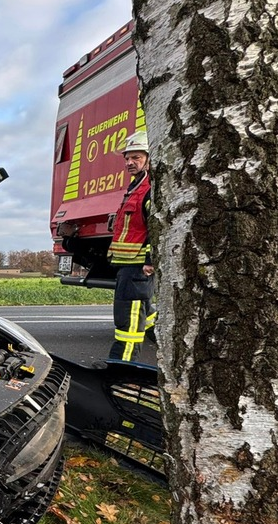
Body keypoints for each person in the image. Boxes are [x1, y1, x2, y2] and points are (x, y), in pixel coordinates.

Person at [107, 130, 157, 361]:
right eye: (127, 158)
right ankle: (171, 341)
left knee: (128, 326)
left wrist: (150, 260)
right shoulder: (135, 188)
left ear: (149, 158)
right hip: (128, 266)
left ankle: (121, 369)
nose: (129, 162)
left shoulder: (149, 190)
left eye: (136, 157)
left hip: (137, 269)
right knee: (143, 314)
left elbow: (156, 228)